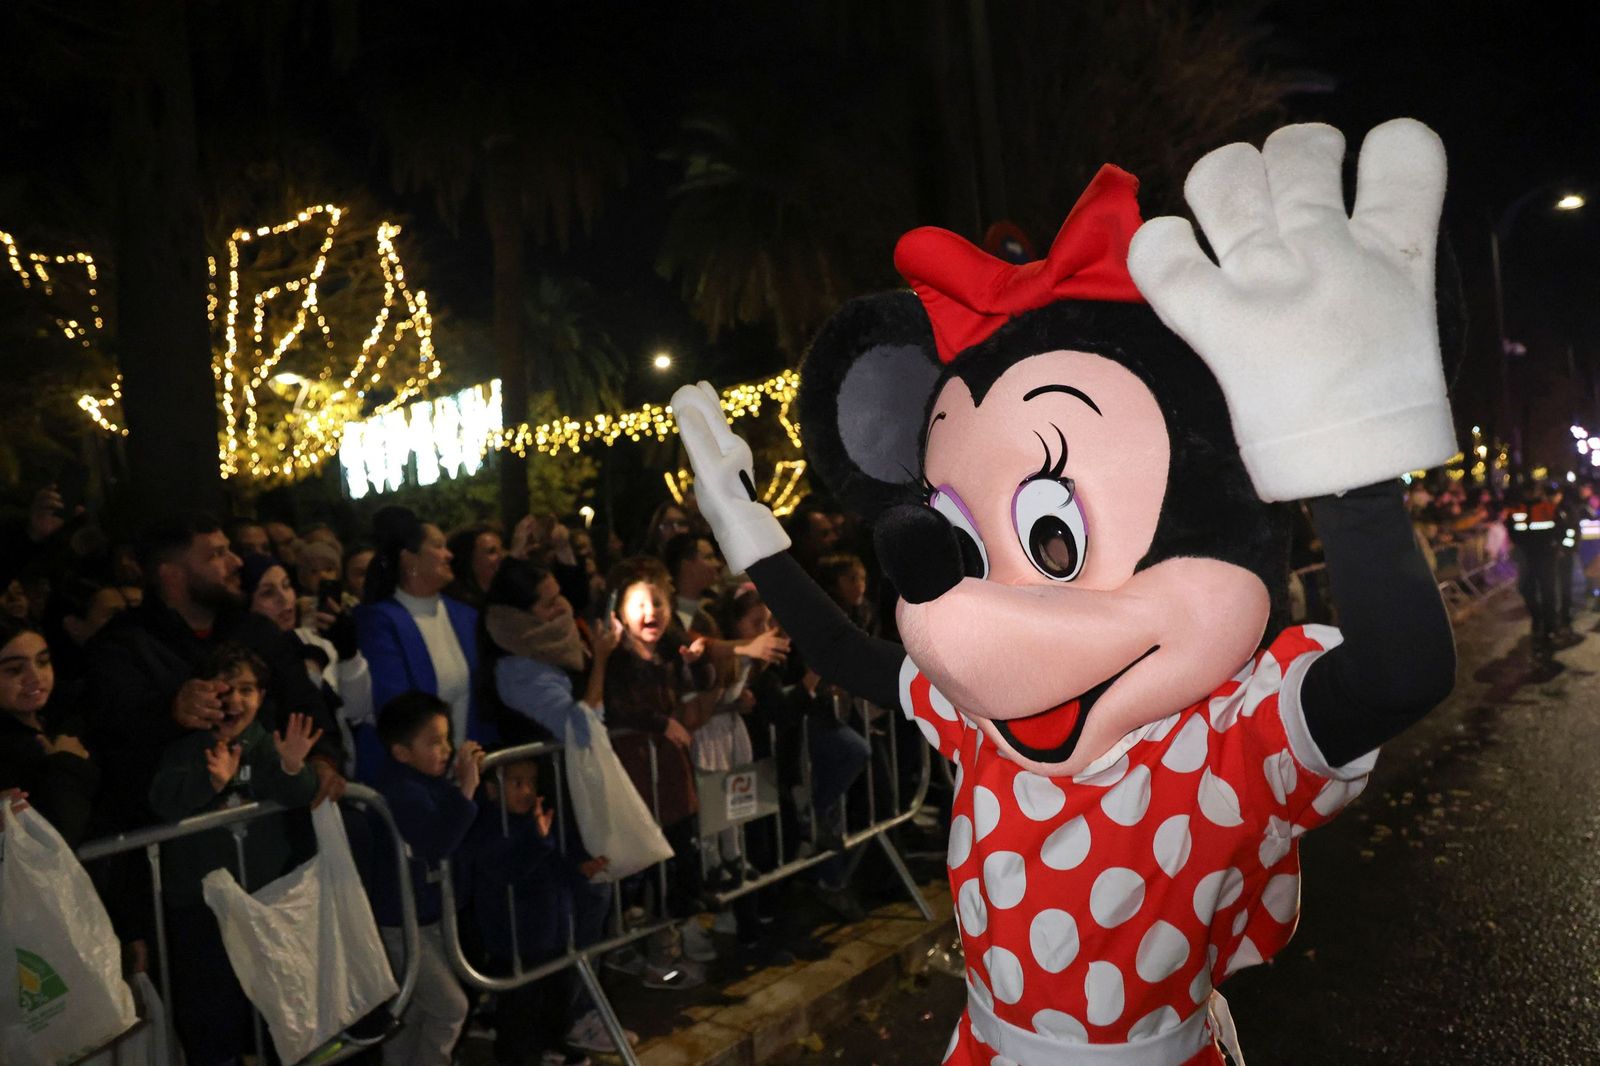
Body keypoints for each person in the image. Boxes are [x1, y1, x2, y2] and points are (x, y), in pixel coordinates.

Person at [84, 511, 345, 833]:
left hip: (277, 831)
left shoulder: (256, 632)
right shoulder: (122, 646)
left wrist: (322, 759)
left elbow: (304, 704)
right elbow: (111, 733)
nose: (236, 562)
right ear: (172, 575)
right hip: (181, 841)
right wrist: (171, 712)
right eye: (217, 555)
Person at [148, 645, 321, 1066]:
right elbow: (163, 800)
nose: (235, 700)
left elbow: (296, 793)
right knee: (213, 1013)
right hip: (200, 907)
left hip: (264, 901)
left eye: (247, 689)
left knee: (277, 1007)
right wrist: (209, 782)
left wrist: (293, 766)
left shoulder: (266, 746)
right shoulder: (185, 750)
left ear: (262, 696)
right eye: (224, 689)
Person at [603, 556, 715, 986]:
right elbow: (616, 707)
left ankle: (669, 948)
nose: (651, 613)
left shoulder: (670, 650)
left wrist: (697, 662)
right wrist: (659, 724)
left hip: (669, 774)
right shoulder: (616, 659)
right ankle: (652, 958)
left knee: (678, 856)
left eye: (658, 603)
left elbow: (702, 683)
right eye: (640, 605)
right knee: (645, 870)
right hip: (638, 773)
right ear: (619, 611)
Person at [463, 758, 610, 1066]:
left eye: (531, 782)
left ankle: (552, 1044)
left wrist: (579, 870)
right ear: (492, 790)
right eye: (517, 783)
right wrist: (538, 842)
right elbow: (509, 871)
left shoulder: (535, 820)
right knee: (521, 1005)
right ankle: (518, 1056)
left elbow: (552, 864)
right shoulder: (488, 827)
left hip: (552, 928)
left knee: (557, 993)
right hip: (517, 937)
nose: (528, 791)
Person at [367, 691, 483, 1066]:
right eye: (434, 742)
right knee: (450, 1007)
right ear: (402, 752)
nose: (446, 750)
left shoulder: (424, 782)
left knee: (414, 1012)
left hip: (426, 916)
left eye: (447, 739)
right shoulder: (400, 791)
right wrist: (466, 788)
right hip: (399, 924)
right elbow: (436, 843)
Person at [356, 506, 490, 779]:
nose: (449, 554)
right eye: (438, 546)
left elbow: (481, 699)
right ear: (409, 559)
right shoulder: (379, 622)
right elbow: (397, 710)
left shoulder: (466, 616)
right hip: (409, 780)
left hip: (463, 777)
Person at [243, 554, 373, 775]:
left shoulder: (312, 639)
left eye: (287, 586)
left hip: (340, 770)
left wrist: (349, 655)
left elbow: (357, 711)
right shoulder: (248, 663)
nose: (284, 599)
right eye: (268, 593)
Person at [481, 558, 621, 747]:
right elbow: (581, 731)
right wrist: (600, 661)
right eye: (550, 604)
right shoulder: (518, 671)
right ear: (520, 617)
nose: (563, 606)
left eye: (559, 595)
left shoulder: (566, 633)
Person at [0, 615, 98, 845]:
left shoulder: (65, 720)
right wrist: (66, 762)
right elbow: (53, 836)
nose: (35, 677)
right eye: (14, 670)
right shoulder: (8, 749)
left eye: (43, 661)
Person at [445, 524, 506, 609]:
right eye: (491, 552)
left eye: (502, 549)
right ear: (468, 559)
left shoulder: (508, 596)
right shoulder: (458, 606)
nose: (502, 557)